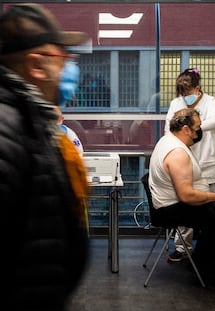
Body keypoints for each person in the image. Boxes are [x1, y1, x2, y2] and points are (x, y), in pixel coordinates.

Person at [0, 4, 90, 310]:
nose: (69, 66)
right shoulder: (6, 130)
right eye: (62, 58)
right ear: (37, 65)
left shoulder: (31, 121)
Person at [149, 108, 215, 297]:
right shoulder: (177, 153)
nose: (200, 131)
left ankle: (203, 264)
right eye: (197, 127)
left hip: (173, 204)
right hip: (172, 209)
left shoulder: (169, 141)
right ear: (186, 129)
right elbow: (187, 196)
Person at [164, 68, 215, 262]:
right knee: (186, 204)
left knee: (212, 211)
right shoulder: (176, 103)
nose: (184, 97)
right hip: (184, 163)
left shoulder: (210, 102)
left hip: (208, 163)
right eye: (182, 93)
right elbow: (169, 130)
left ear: (197, 88)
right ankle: (182, 248)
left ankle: (210, 251)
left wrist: (192, 127)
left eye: (188, 92)